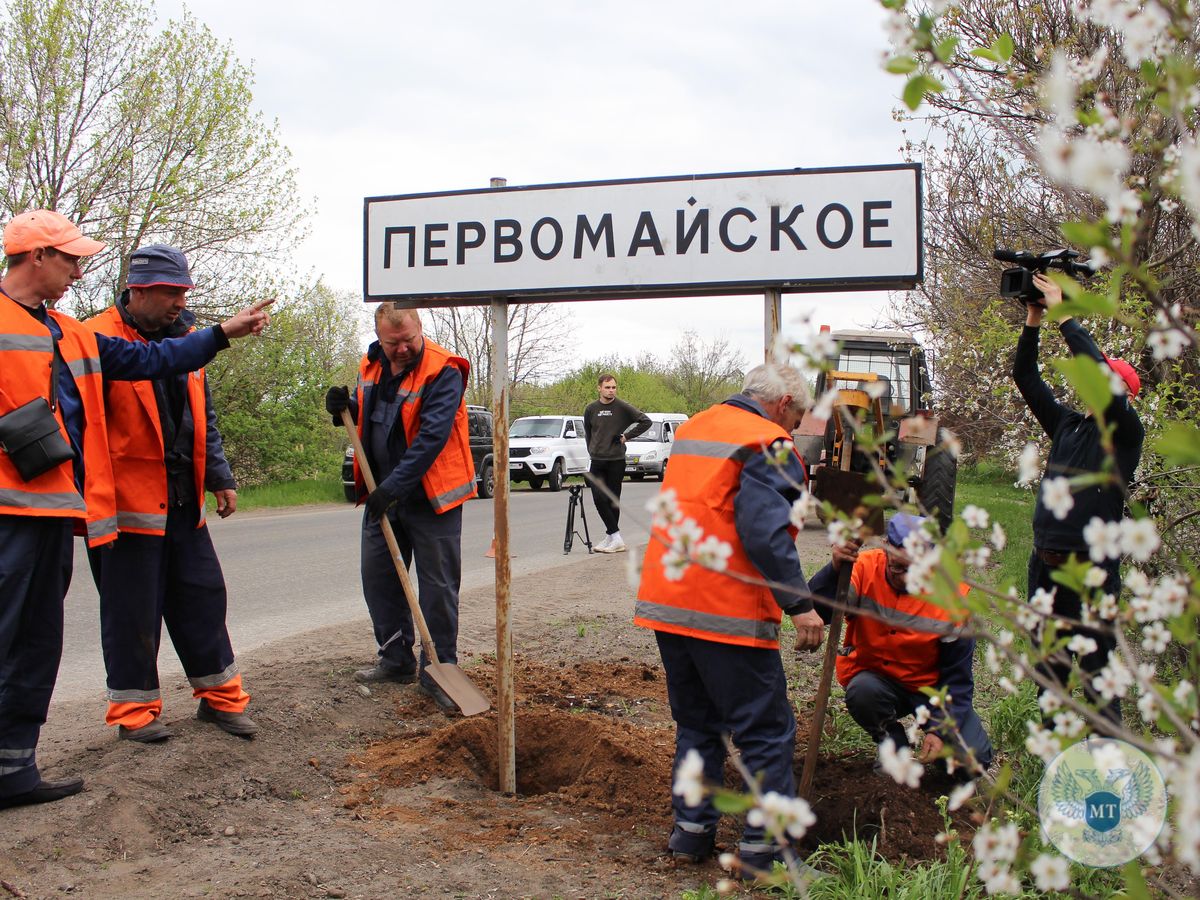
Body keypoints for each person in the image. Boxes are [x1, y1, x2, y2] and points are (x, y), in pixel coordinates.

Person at [0, 210, 270, 809]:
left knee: (36, 640)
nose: (78, 268)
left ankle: (13, 770)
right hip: (40, 513)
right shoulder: (46, 324)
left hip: (56, 509)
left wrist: (222, 333)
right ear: (36, 256)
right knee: (25, 631)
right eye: (69, 258)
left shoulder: (70, 333)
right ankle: (123, 714)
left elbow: (156, 367)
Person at [634, 363, 825, 874]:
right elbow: (763, 533)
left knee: (699, 724)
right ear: (784, 404)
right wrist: (800, 604)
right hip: (726, 607)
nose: (793, 433)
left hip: (670, 600)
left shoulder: (696, 426)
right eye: (796, 419)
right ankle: (767, 854)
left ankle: (691, 836)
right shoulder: (769, 442)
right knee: (765, 730)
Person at [85, 245, 257, 744]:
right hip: (124, 508)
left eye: (184, 292)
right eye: (169, 292)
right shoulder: (96, 338)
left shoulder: (187, 338)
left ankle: (222, 700)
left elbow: (203, 415)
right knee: (131, 611)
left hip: (182, 499)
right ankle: (135, 715)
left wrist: (219, 476)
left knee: (203, 598)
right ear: (136, 291)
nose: (179, 302)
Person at [324, 305, 475, 711]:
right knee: (380, 580)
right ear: (379, 336)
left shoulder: (444, 371)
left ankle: (439, 670)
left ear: (420, 328)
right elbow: (372, 417)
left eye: (409, 339)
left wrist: (393, 487)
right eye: (394, 343)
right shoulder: (371, 365)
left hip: (430, 497)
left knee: (438, 588)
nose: (403, 348)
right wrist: (344, 410)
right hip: (382, 493)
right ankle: (394, 659)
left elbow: (431, 437)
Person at [1013, 272, 1144, 726]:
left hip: (1090, 567)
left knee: (1096, 664)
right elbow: (1026, 378)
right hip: (1045, 563)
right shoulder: (1068, 425)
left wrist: (1064, 316)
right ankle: (1051, 745)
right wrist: (1034, 319)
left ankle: (1110, 745)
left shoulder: (1125, 432)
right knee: (1048, 658)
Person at [808, 513, 994, 780]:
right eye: (897, 568)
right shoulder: (862, 569)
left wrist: (939, 730)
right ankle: (893, 744)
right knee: (863, 692)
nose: (906, 578)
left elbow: (958, 678)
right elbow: (820, 612)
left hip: (929, 691)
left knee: (972, 761)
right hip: (877, 682)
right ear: (884, 548)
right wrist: (834, 569)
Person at [583, 373, 650, 553]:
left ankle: (612, 537)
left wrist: (626, 436)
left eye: (613, 387)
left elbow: (646, 421)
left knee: (613, 500)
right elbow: (588, 433)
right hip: (597, 460)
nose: (611, 390)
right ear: (599, 388)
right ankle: (615, 536)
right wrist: (592, 450)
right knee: (598, 498)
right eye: (607, 387)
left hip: (616, 461)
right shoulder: (591, 409)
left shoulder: (622, 407)